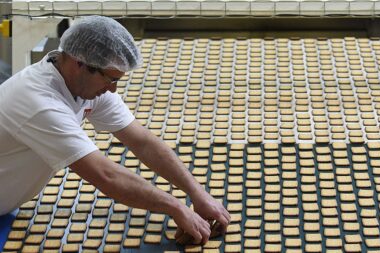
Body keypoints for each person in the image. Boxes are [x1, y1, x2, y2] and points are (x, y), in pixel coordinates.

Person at [0, 16, 230, 245]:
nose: (113, 89)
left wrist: (197, 193)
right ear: (79, 63)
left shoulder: (84, 86)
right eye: (110, 79)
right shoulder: (39, 103)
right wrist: (177, 207)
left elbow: (143, 142)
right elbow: (106, 175)